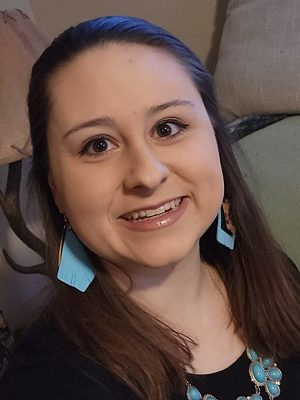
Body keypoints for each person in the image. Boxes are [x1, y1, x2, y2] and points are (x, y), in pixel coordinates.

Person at [0, 15, 299, 400]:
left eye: (168, 127)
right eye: (98, 145)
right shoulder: (48, 381)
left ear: (215, 141)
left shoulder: (271, 276)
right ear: (55, 187)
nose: (147, 174)